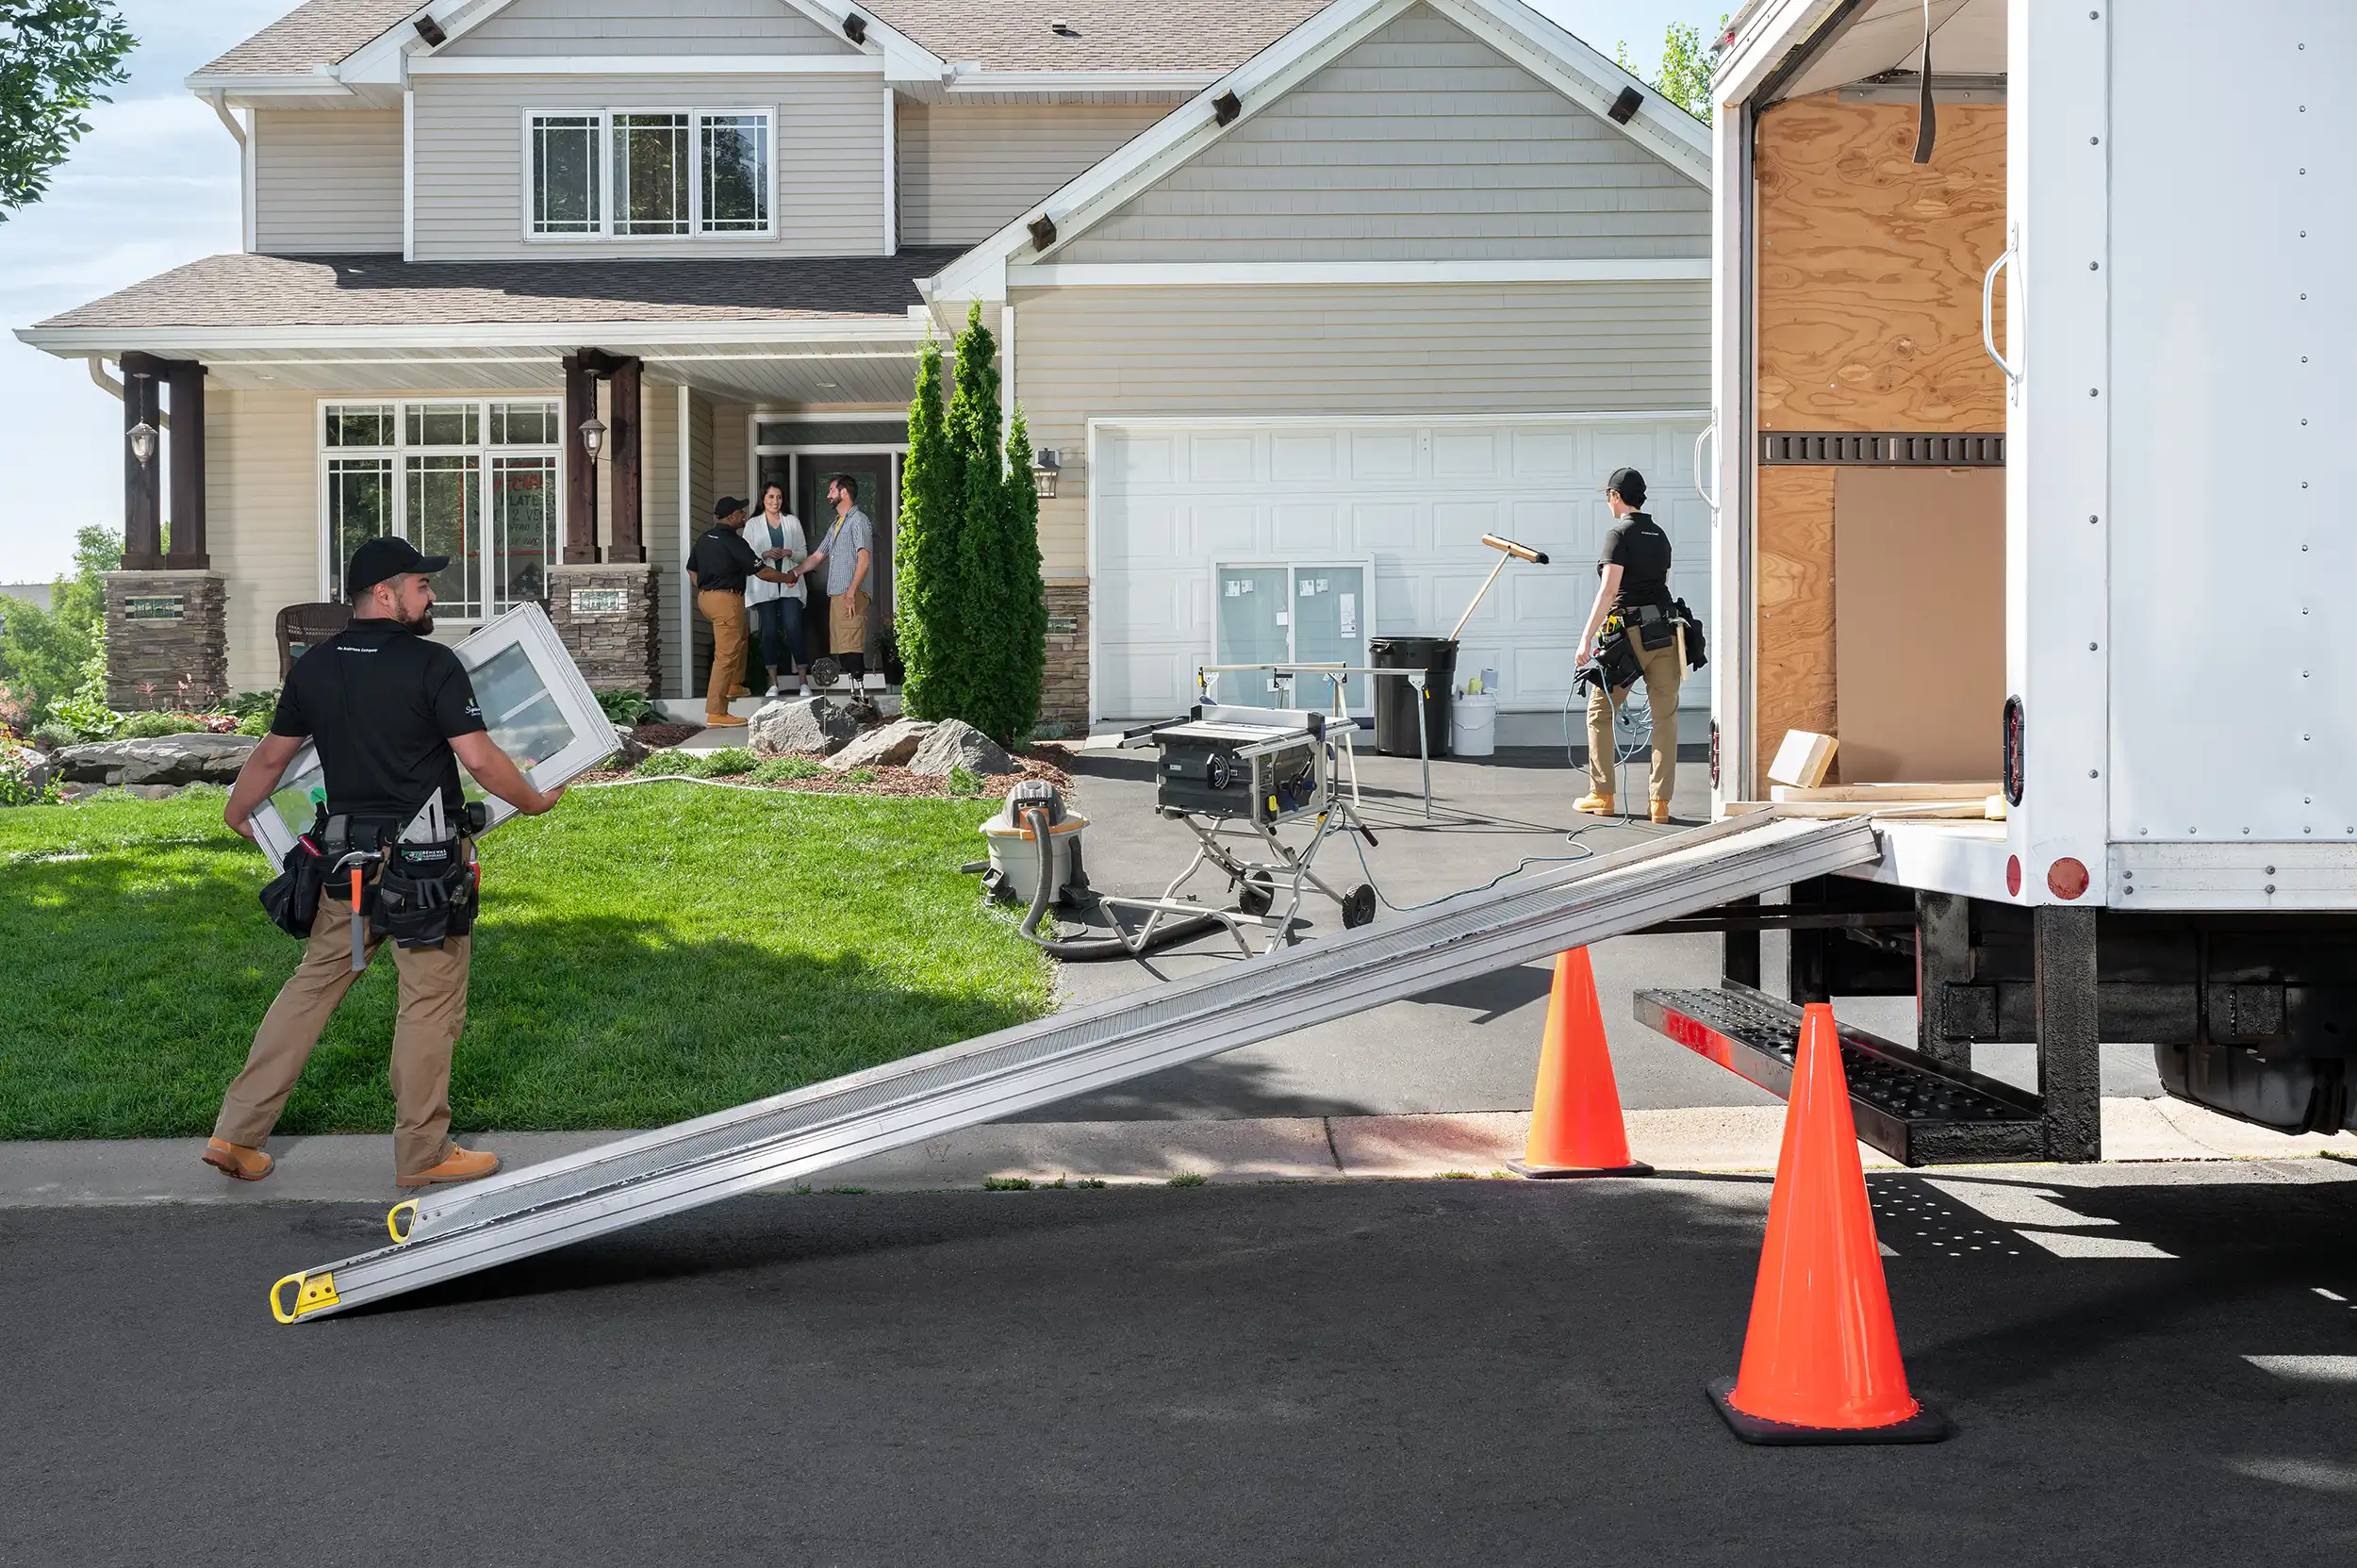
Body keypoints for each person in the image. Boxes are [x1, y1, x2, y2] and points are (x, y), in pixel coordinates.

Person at [205, 536, 566, 1188]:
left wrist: (238, 813)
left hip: (344, 864)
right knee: (428, 1003)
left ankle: (236, 1133)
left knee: (309, 991)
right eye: (421, 585)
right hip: (425, 870)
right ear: (384, 593)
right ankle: (423, 1154)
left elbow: (269, 759)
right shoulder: (433, 665)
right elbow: (480, 760)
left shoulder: (313, 668)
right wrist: (535, 801)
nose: (431, 596)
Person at [1574, 467, 1684, 824]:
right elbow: (1662, 580)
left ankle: (1602, 794)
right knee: (1664, 718)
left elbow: (1609, 590)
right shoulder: (1662, 536)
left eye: (1608, 495)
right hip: (1666, 631)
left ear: (1616, 497)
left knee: (1599, 712)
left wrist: (1586, 637)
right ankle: (1660, 805)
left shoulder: (1618, 534)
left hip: (1630, 634)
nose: (1607, 500)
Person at [684, 496, 795, 725]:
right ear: (731, 516)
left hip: (706, 599)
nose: (744, 516)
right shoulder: (733, 541)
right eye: (741, 513)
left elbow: (691, 569)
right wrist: (787, 578)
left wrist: (707, 589)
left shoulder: (704, 539)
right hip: (726, 599)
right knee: (724, 655)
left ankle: (734, 684)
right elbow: (761, 571)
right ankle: (716, 712)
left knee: (741, 634)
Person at [800, 473, 873, 680]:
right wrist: (793, 573)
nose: (827, 495)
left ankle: (860, 701)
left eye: (831, 490)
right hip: (837, 595)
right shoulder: (836, 525)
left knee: (852, 649)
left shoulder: (858, 521)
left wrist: (851, 591)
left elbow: (864, 559)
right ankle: (854, 698)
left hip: (851, 595)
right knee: (843, 652)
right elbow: (817, 556)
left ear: (844, 492)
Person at [745, 480, 809, 697]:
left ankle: (803, 681)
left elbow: (803, 553)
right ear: (763, 498)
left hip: (790, 584)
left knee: (793, 628)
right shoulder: (753, 524)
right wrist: (764, 554)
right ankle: (773, 683)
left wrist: (789, 553)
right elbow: (746, 555)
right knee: (769, 632)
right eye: (771, 497)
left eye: (779, 497)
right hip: (764, 586)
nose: (775, 501)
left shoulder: (792, 522)